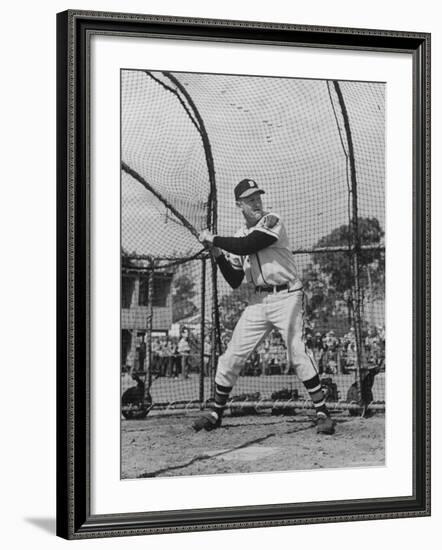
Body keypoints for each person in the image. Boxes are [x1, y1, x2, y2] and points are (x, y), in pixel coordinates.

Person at [193, 178, 335, 434]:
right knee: (231, 356)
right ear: (239, 205)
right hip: (258, 300)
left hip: (288, 295)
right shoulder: (237, 236)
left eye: (258, 197)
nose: (256, 202)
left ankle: (323, 411)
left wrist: (214, 237)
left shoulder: (272, 221)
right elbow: (235, 280)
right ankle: (216, 412)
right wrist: (217, 255)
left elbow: (251, 244)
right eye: (250, 199)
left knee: (297, 352)